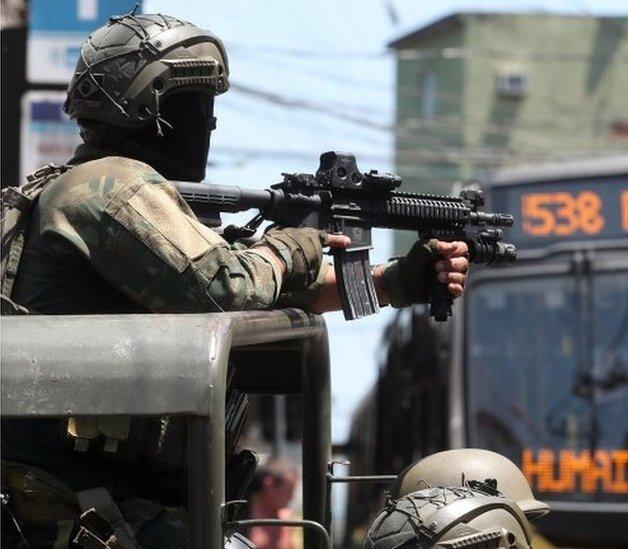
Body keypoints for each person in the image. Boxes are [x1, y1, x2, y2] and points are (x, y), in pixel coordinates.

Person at [0, 12, 469, 548]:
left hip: (96, 499)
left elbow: (261, 287)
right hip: (84, 509)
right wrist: (289, 246)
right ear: (154, 107)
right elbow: (228, 288)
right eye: (198, 104)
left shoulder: (103, 192)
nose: (210, 123)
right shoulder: (112, 190)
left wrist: (396, 281)